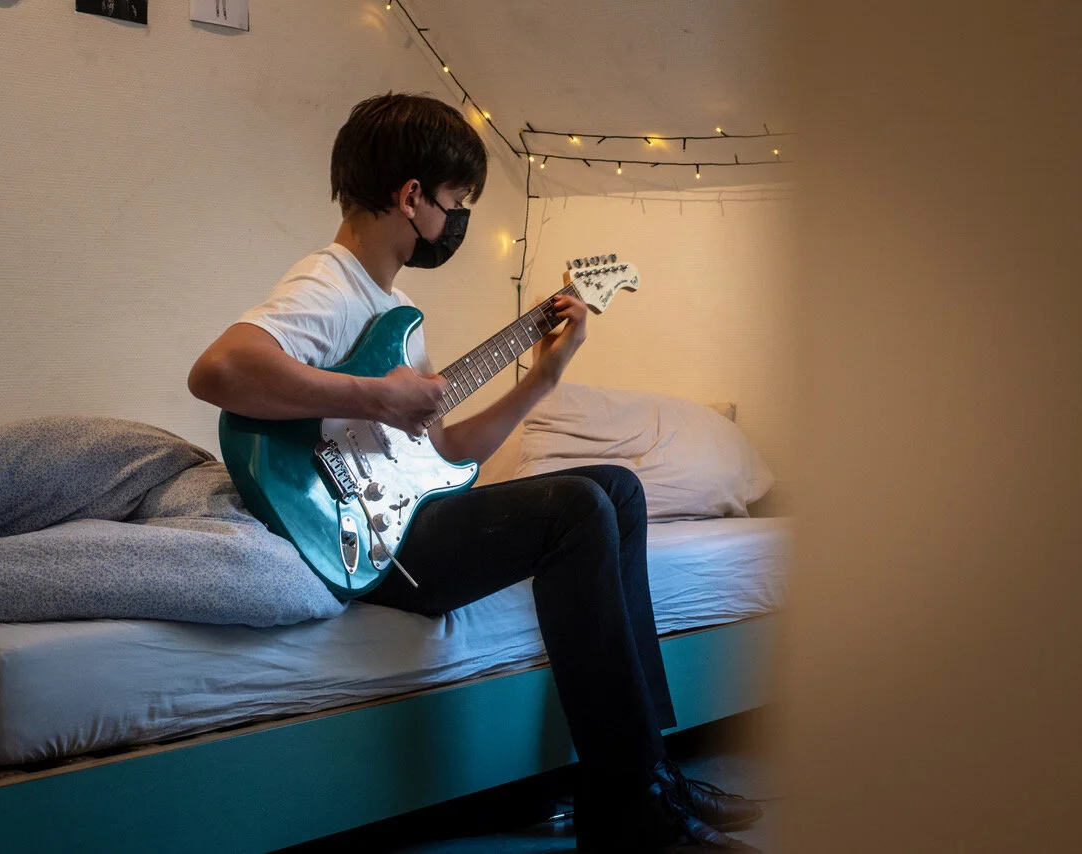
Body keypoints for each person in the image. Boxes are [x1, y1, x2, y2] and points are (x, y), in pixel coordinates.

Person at [188, 93, 762, 853]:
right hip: (362, 542)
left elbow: (445, 453)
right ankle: (629, 808)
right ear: (412, 197)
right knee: (577, 508)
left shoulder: (395, 310)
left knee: (616, 488)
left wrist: (542, 379)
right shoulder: (329, 284)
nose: (457, 221)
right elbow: (219, 370)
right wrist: (376, 395)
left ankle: (650, 773)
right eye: (456, 203)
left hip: (403, 522)